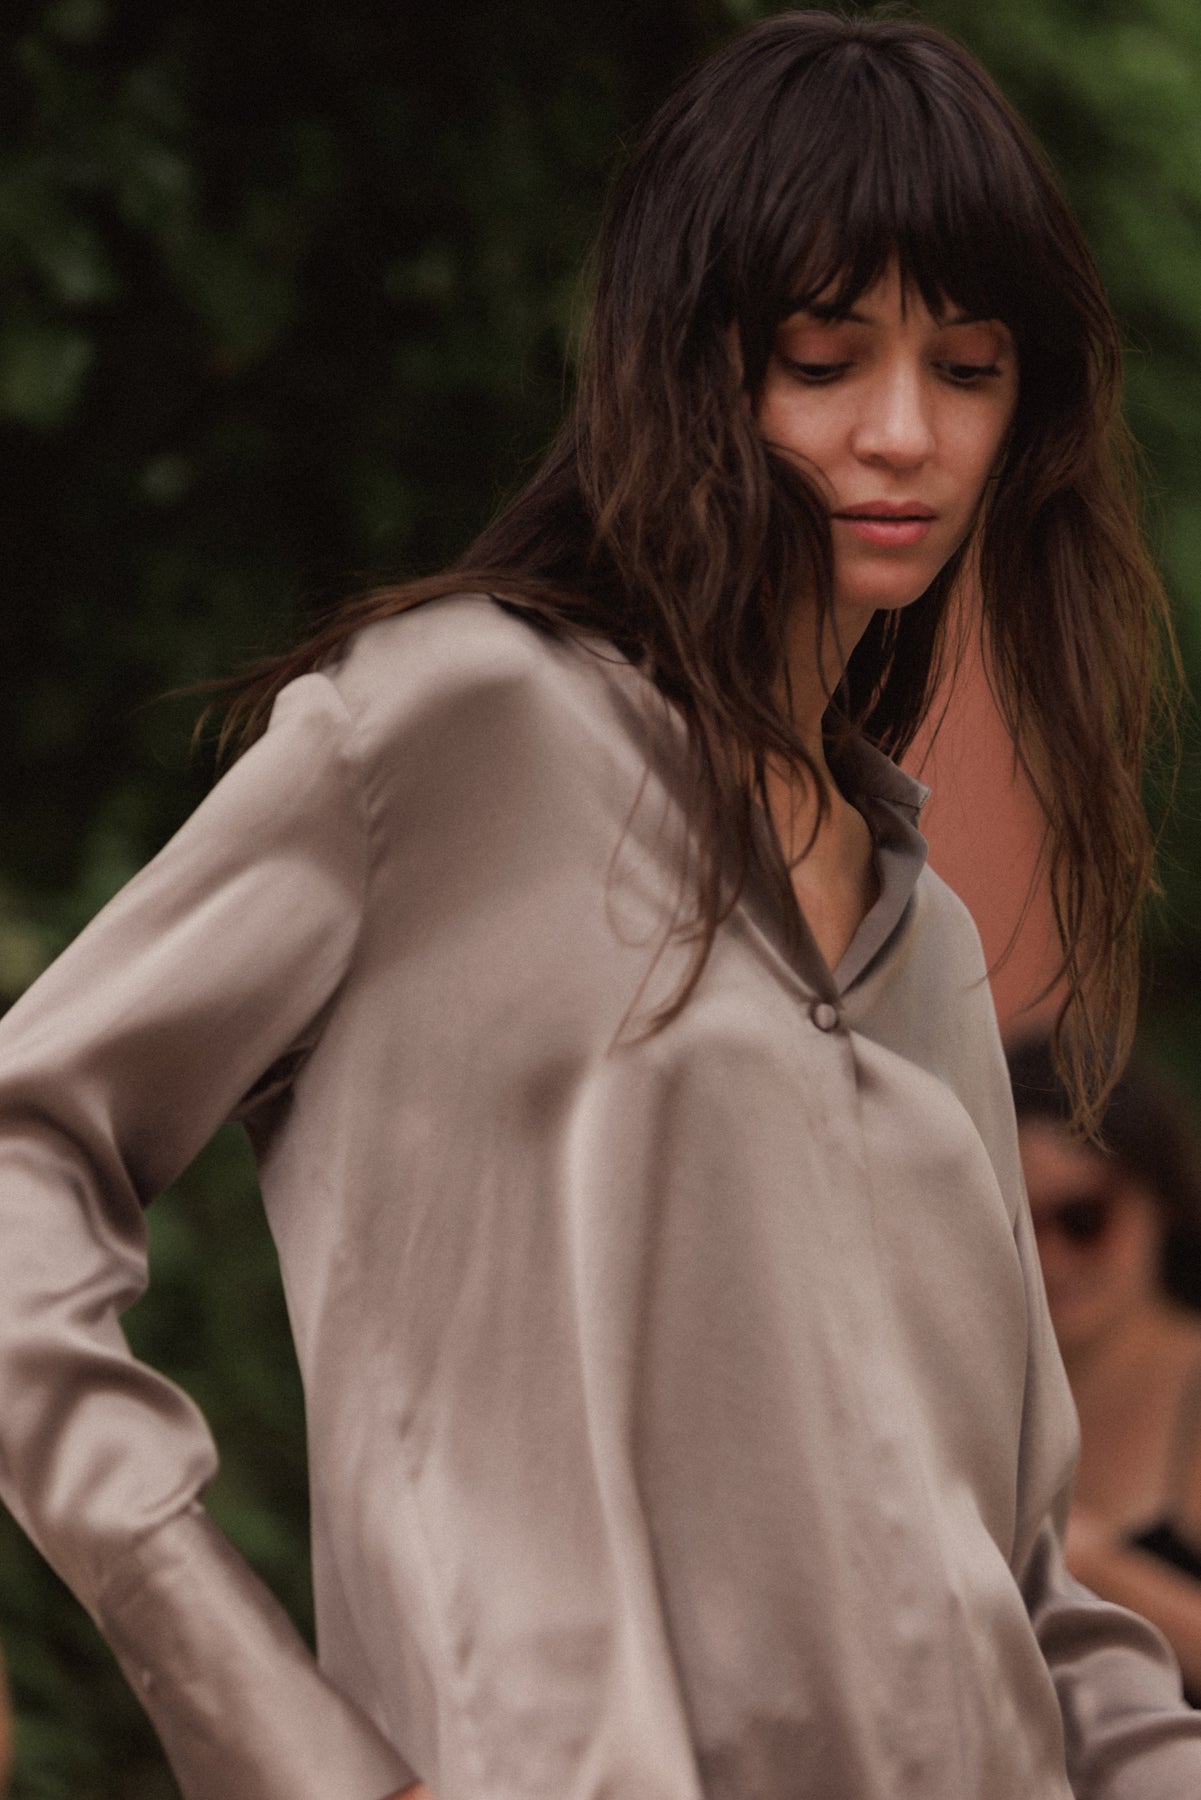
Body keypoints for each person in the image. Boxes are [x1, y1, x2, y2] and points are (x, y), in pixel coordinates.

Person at [0, 10, 1198, 1798]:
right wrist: (277, 1735)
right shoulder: (455, 729)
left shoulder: (930, 942)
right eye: (821, 357)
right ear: (694, 366)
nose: (902, 436)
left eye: (967, 367)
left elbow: (1025, 1587)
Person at [1010, 1032, 1201, 1704]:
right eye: (1016, 1224)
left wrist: (1104, 1571)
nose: (1050, 1257)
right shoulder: (987, 1394)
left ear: (1161, 1204)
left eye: (1082, 1218)